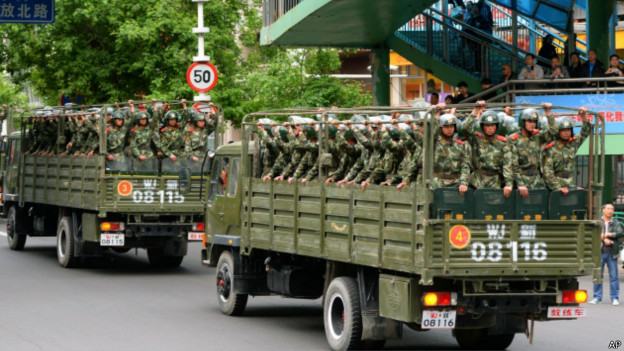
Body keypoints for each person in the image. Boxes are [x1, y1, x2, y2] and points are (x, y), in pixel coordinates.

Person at [462, 102, 513, 195]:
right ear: (482, 127)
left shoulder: (503, 143)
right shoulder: (476, 140)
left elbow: (507, 164)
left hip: (496, 182)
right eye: (487, 125)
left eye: (492, 125)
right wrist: (475, 110)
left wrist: (508, 184)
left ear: (496, 126)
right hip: (476, 183)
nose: (490, 128)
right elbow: (465, 128)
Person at [509, 103, 557, 198]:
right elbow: (513, 164)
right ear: (523, 122)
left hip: (537, 180)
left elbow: (553, 131)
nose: (532, 124)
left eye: (534, 122)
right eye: (529, 121)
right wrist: (520, 184)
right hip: (521, 181)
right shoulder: (514, 139)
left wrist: (547, 112)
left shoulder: (537, 136)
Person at [542, 109, 590, 194]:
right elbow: (547, 171)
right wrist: (558, 188)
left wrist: (583, 116)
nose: (566, 132)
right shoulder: (551, 148)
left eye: (568, 130)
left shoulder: (573, 144)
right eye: (563, 130)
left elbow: (585, 132)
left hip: (570, 183)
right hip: (555, 185)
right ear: (558, 131)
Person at [590, 203, 624, 306]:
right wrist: (604, 238)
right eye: (608, 209)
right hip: (599, 252)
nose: (610, 211)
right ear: (603, 210)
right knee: (598, 276)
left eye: (612, 209)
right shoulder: (597, 222)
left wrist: (609, 235)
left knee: (614, 277)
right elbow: (592, 234)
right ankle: (597, 297)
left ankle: (615, 298)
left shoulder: (616, 222)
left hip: (612, 253)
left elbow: (620, 233)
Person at [431, 112, 471, 194]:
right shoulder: (434, 143)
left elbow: (465, 165)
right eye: (446, 127)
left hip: (455, 185)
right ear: (441, 128)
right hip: (437, 184)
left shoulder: (460, 145)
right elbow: (432, 133)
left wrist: (463, 183)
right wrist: (436, 114)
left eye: (452, 126)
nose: (449, 129)